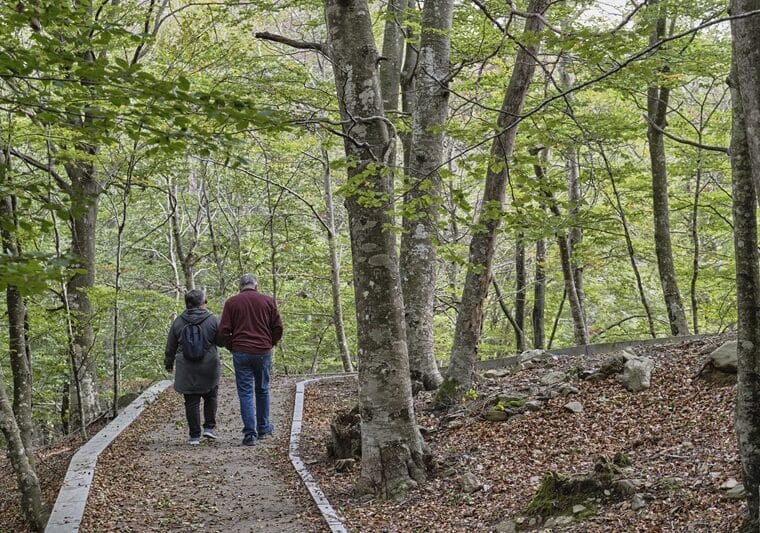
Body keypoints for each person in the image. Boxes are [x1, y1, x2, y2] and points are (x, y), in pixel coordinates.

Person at [217, 274, 283, 446]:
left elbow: (223, 330)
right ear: (256, 285)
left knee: (245, 392)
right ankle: (263, 427)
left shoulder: (232, 303)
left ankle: (250, 434)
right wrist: (271, 342)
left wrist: (233, 345)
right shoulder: (268, 301)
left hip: (241, 352)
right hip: (263, 351)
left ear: (241, 286)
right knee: (262, 389)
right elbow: (278, 327)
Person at [164, 289, 221, 445]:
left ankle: (194, 436)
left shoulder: (178, 321)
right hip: (209, 364)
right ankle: (209, 427)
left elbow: (171, 345)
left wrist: (168, 363)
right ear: (202, 303)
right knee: (211, 395)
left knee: (191, 401)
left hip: (186, 366)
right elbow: (221, 341)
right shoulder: (212, 320)